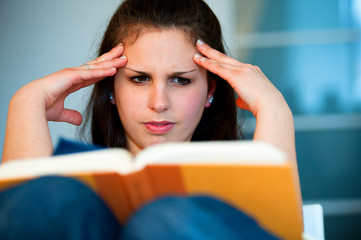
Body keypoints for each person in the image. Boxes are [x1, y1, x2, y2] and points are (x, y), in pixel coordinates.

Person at [0, 0, 296, 239]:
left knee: (162, 219)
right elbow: (25, 214)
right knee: (55, 196)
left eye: (180, 80)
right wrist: (28, 100)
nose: (159, 103)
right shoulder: (66, 201)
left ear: (210, 91)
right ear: (111, 88)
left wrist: (275, 110)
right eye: (139, 78)